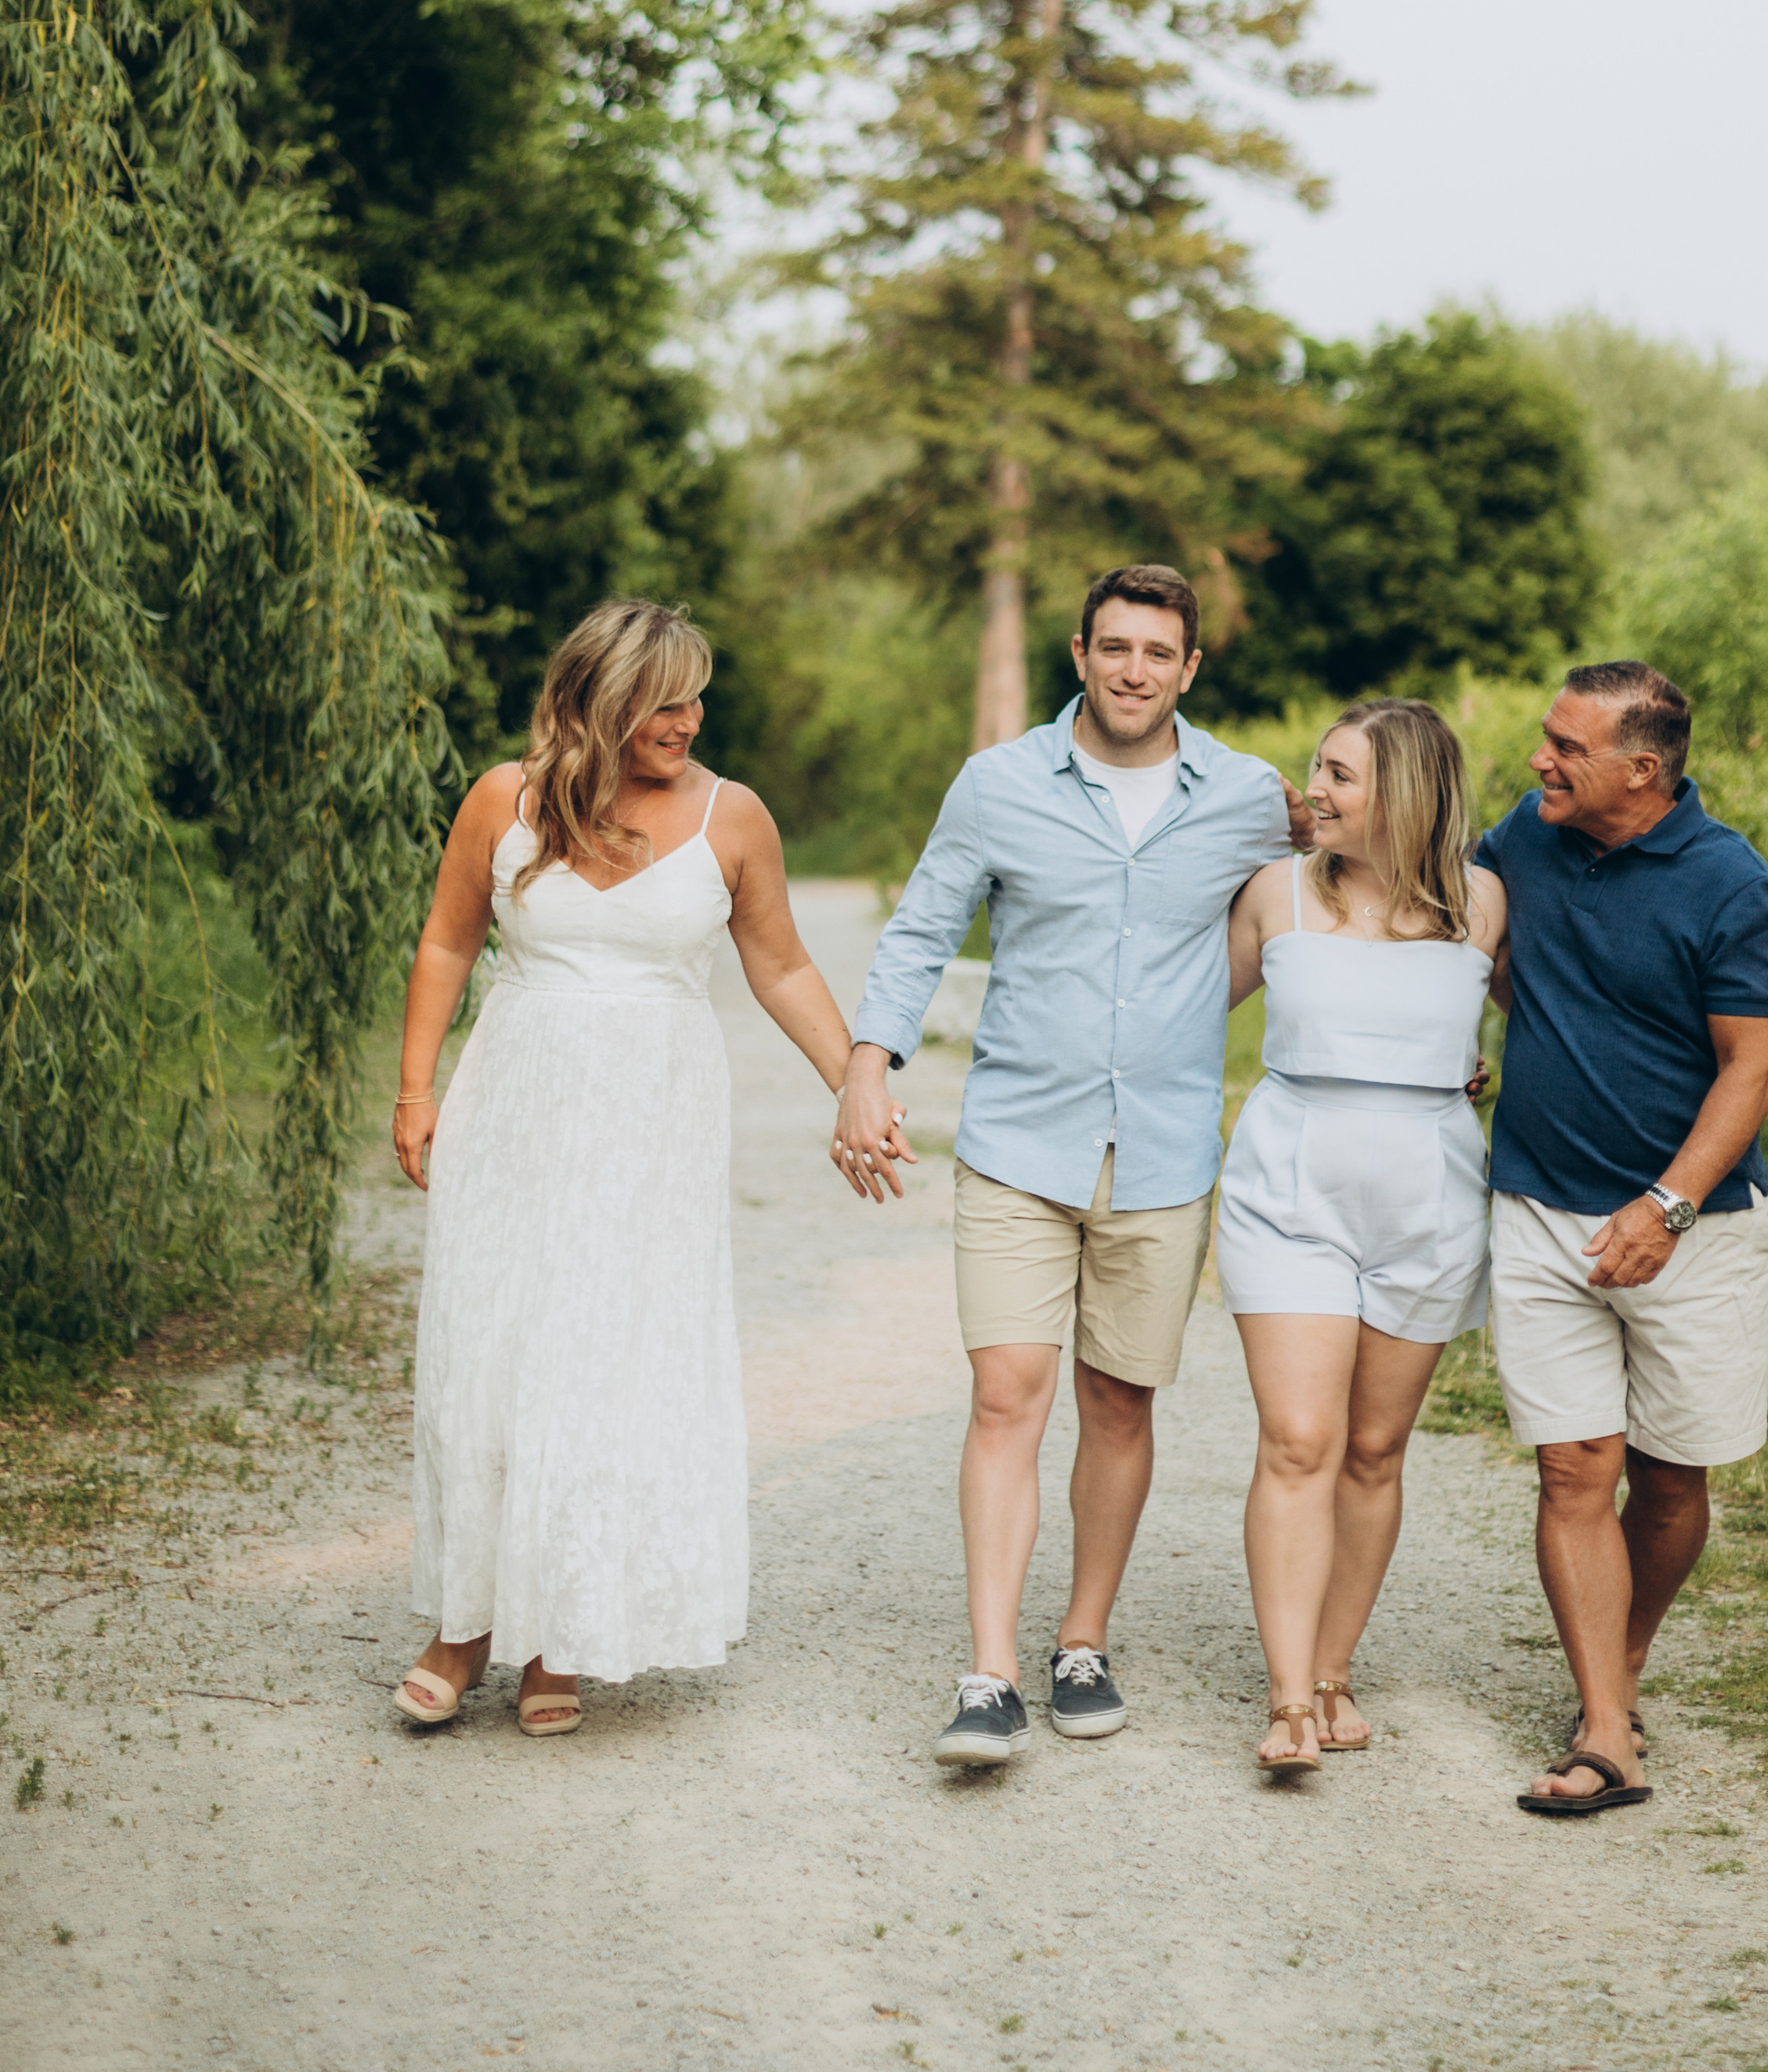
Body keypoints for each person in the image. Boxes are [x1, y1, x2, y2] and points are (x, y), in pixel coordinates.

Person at [835, 564, 1315, 1768]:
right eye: (1114, 648)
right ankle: (990, 1672)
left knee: (1119, 1401)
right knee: (1008, 1395)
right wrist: (864, 1065)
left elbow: (1357, 879)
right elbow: (922, 928)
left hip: (1162, 1154)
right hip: (1017, 1144)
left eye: (1158, 653)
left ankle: (1081, 1640)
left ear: (1190, 669)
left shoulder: (1250, 797)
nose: (1134, 671)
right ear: (1079, 652)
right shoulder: (998, 786)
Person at [389, 598, 857, 1738]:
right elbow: (449, 938)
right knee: (490, 1349)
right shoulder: (506, 798)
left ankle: (560, 1637)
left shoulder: (732, 818)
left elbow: (783, 967)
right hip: (516, 1105)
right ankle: (464, 1625)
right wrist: (415, 1088)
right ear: (602, 699)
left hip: (652, 1124)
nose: (690, 719)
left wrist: (858, 1079)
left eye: (698, 696)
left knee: (606, 1359)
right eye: (666, 700)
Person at [1475, 660, 1768, 1818]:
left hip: (1693, 1230)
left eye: (1565, 747)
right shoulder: (1529, 830)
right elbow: (1452, 919)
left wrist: (1665, 1207)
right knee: (1573, 1466)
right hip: (1540, 1204)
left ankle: (1624, 1664)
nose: (1538, 763)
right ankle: (1607, 1729)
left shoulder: (1735, 888)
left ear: (1643, 768)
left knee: (1669, 1482)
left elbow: (1750, 1069)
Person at [1217, 699, 1502, 1774]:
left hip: (1429, 1197)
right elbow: (1178, 1015)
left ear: (1409, 794)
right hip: (1290, 1189)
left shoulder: (1484, 903)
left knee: (1375, 1451)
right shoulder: (1274, 893)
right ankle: (1288, 1700)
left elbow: (1560, 1021)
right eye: (1317, 769)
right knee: (1299, 1439)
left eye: (1339, 776)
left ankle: (1335, 1670)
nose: (1316, 792)